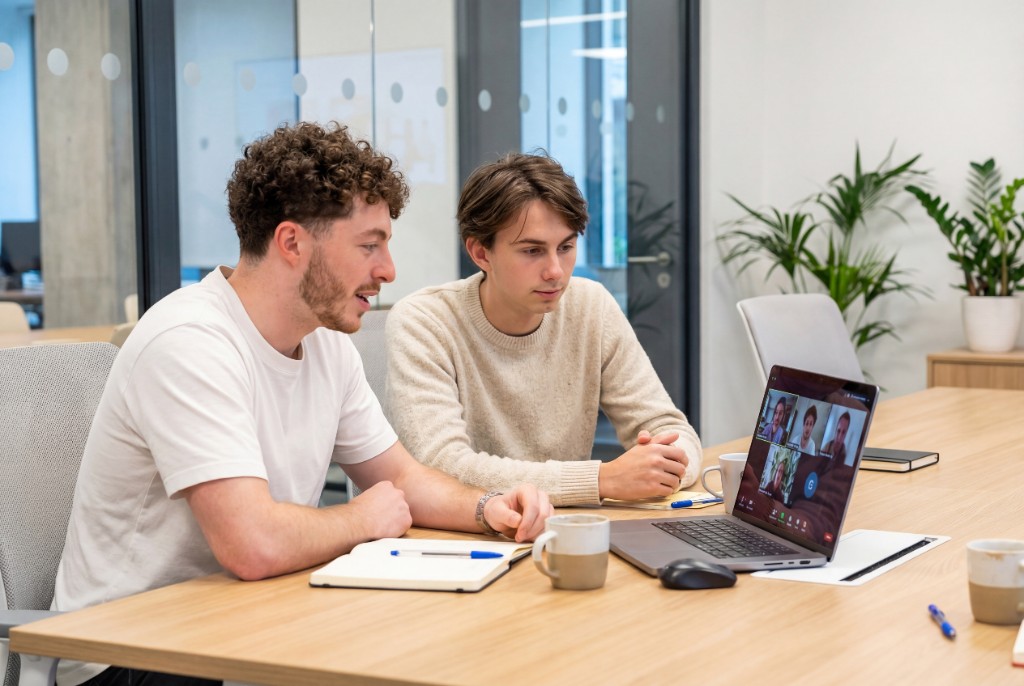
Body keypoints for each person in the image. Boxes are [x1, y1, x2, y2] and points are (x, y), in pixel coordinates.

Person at [52, 122, 552, 686]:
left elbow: (400, 479)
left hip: (239, 623)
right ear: (292, 243)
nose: (388, 270)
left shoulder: (325, 343)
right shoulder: (189, 341)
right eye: (369, 245)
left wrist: (487, 507)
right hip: (129, 651)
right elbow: (253, 545)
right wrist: (363, 517)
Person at [384, 152, 701, 507]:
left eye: (565, 247)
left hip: (565, 529)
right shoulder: (425, 322)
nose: (556, 271)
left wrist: (663, 465)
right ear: (480, 252)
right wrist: (601, 479)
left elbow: (670, 429)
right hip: (461, 539)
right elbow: (441, 468)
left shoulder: (590, 305)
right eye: (532, 250)